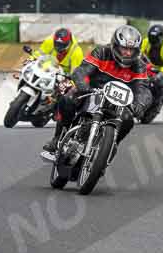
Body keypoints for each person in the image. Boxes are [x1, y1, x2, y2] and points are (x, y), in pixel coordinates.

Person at [41, 25, 151, 161]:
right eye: (124, 48)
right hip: (92, 91)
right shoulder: (101, 52)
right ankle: (57, 138)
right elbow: (82, 70)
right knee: (67, 98)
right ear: (115, 45)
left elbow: (144, 89)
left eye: (131, 50)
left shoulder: (139, 66)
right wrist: (83, 86)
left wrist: (139, 104)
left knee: (128, 120)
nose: (128, 53)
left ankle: (110, 147)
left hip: (117, 103)